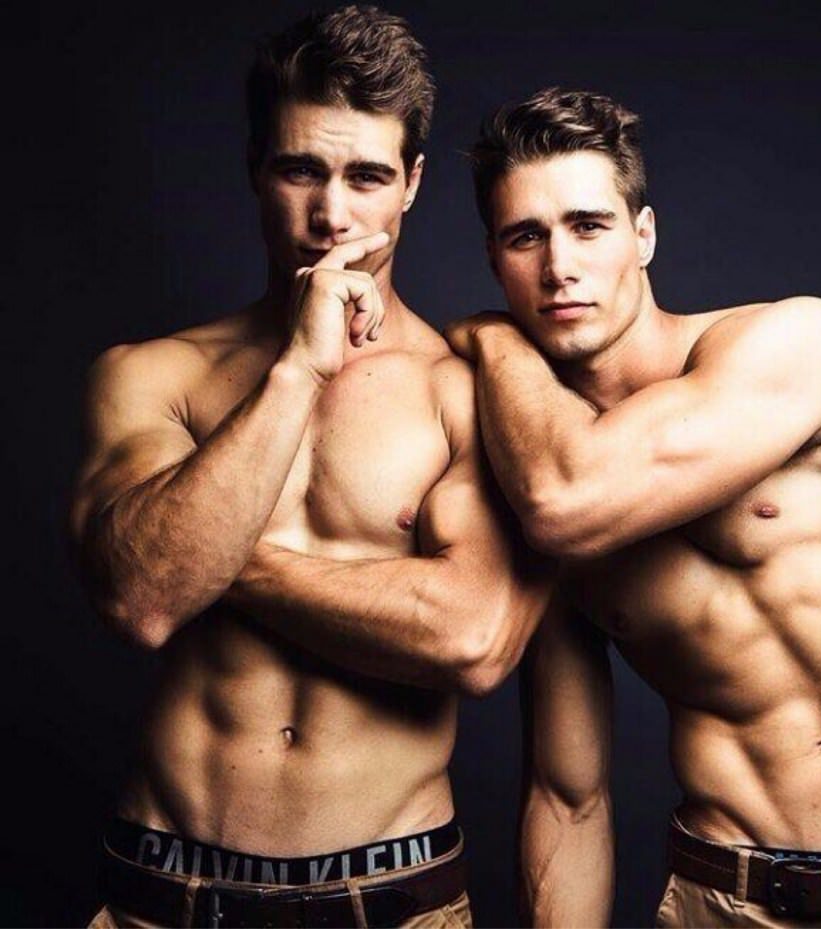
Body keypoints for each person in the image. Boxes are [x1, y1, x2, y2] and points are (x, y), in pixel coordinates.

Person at [445, 87, 821, 927]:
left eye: (589, 225)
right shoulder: (523, 463)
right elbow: (568, 796)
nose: (559, 265)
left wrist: (494, 337)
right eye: (524, 236)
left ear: (644, 235)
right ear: (495, 259)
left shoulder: (797, 341)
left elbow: (569, 495)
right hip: (729, 898)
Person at [70, 9, 550, 928]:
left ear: (411, 184)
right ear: (256, 167)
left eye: (366, 176)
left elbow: (472, 637)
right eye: (301, 170)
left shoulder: (464, 390)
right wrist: (298, 367)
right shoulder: (152, 376)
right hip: (165, 895)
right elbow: (142, 598)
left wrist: (222, 560)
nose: (331, 216)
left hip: (394, 898)